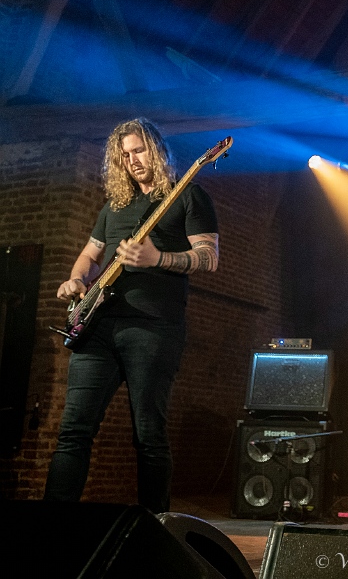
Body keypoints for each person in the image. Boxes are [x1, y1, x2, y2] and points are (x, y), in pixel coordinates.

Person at [44, 118, 219, 513]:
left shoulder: (189, 196)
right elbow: (90, 256)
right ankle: (51, 526)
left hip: (153, 328)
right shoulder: (114, 207)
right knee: (73, 431)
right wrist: (76, 279)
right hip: (97, 327)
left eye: (138, 150)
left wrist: (158, 258)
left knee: (148, 436)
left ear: (156, 150)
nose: (132, 160)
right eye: (124, 155)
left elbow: (209, 257)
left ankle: (153, 528)